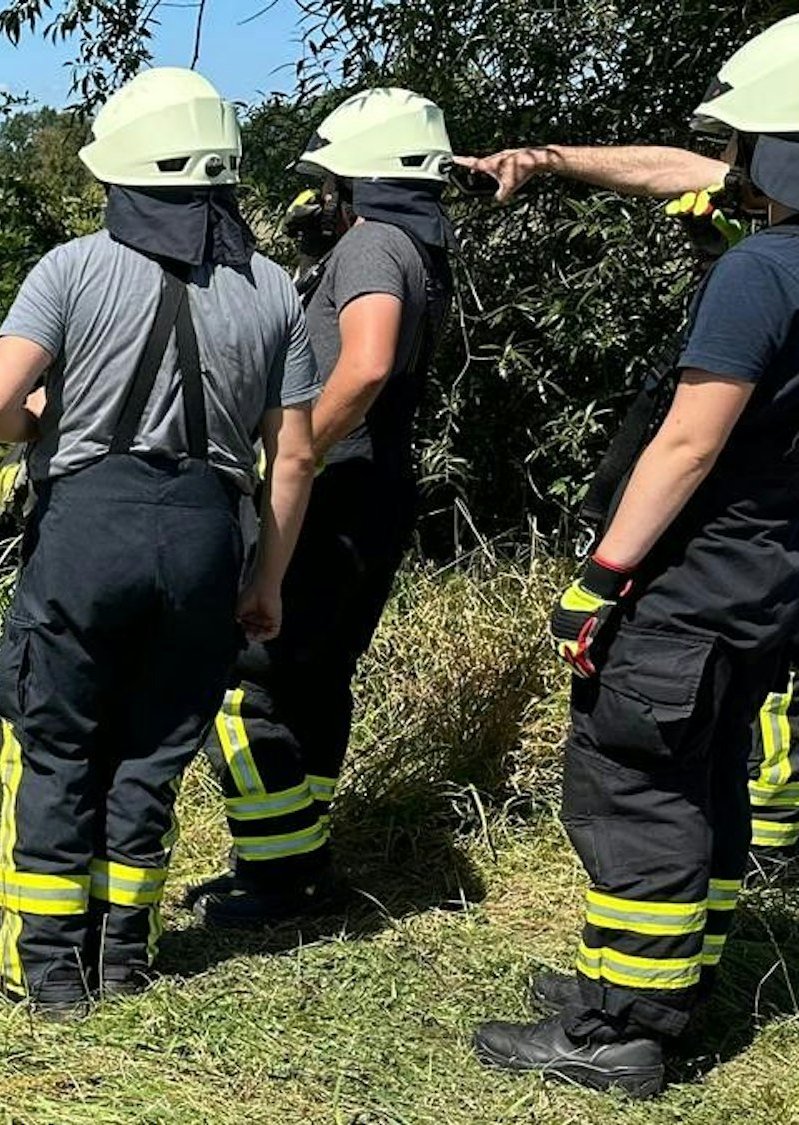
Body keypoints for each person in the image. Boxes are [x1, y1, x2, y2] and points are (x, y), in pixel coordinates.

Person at [470, 14, 799, 1097]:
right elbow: (678, 169)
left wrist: (599, 578)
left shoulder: (763, 269)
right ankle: (664, 984)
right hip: (766, 582)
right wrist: (550, 159)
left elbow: (690, 438)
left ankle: (618, 1032)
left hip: (688, 587)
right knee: (703, 780)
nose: (733, 168)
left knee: (635, 786)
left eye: (750, 145)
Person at [0, 67, 320, 1019]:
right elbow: (292, 459)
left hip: (89, 532)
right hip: (207, 536)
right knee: (150, 755)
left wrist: (40, 426)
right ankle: (123, 959)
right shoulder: (275, 288)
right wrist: (267, 581)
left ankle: (43, 974)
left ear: (120, 166)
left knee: (55, 747)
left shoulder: (73, 267)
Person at [189, 89, 460, 927]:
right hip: (376, 494)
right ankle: (296, 852)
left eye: (329, 183)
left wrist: (289, 453)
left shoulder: (376, 243)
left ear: (360, 180)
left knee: (246, 682)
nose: (320, 201)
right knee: (316, 676)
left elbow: (368, 361)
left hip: (335, 490)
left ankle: (281, 876)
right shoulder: (419, 245)